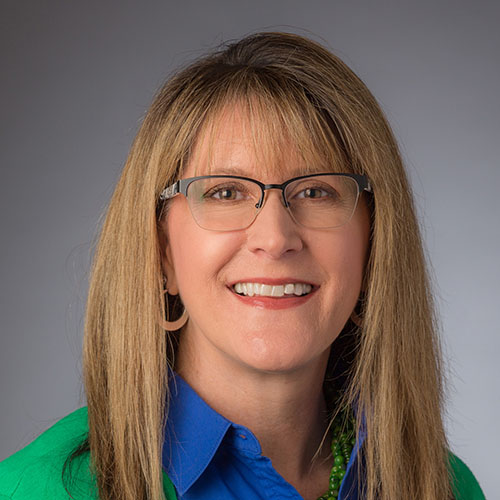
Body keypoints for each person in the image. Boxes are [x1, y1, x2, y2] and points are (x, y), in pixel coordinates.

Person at [0, 32, 485, 500]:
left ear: (374, 244)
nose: (275, 239)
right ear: (162, 253)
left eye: (316, 192)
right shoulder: (44, 490)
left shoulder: (444, 486)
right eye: (225, 192)